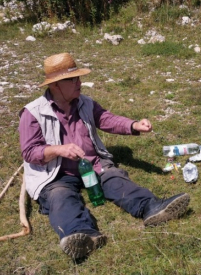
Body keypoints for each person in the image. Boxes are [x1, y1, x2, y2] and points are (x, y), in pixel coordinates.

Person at [19, 53, 190, 259]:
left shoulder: (85, 102)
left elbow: (106, 119)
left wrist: (133, 125)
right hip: (55, 174)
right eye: (73, 79)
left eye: (78, 77)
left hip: (93, 165)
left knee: (116, 180)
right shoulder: (33, 113)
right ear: (56, 85)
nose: (79, 83)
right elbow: (29, 152)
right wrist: (59, 149)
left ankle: (151, 207)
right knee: (60, 197)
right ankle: (82, 235)